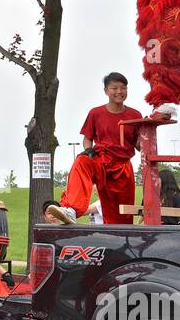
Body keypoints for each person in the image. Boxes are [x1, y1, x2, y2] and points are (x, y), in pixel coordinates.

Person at [60, 72, 142, 225]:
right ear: (106, 91)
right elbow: (87, 139)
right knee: (82, 161)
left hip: (123, 167)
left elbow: (139, 145)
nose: (119, 92)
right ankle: (71, 209)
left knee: (121, 213)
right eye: (114, 88)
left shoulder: (135, 115)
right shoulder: (95, 113)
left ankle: (121, 241)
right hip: (101, 159)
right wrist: (88, 149)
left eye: (123, 88)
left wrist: (149, 134)